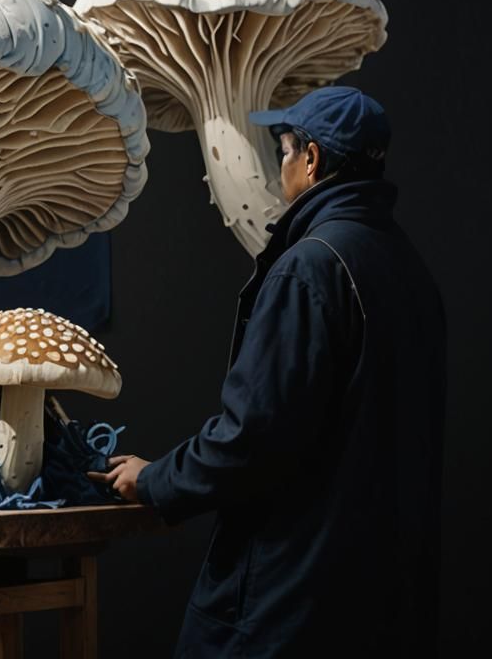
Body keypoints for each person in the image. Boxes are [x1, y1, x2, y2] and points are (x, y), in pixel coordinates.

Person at [89, 85, 445, 657]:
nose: (280, 164)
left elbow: (250, 438)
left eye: (283, 149)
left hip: (295, 602)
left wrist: (154, 480)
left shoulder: (309, 270)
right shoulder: (410, 271)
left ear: (312, 160)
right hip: (386, 602)